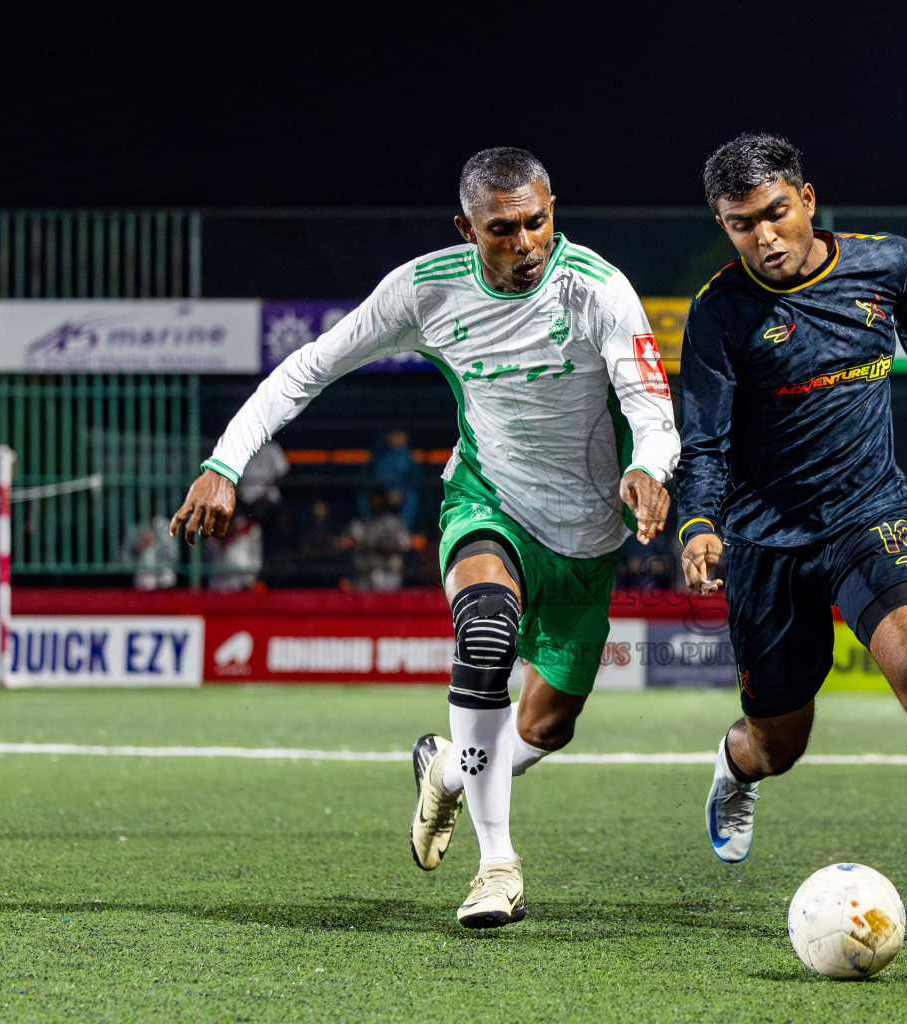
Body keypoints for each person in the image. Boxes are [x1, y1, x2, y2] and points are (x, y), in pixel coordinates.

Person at [170, 147, 679, 928]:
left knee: (547, 726)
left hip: (585, 536)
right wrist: (224, 462)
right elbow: (309, 368)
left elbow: (649, 403)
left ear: (553, 211)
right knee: (483, 635)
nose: (526, 244)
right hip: (488, 502)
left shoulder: (600, 290)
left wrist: (650, 464)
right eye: (502, 229)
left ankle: (445, 771)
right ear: (466, 227)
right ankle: (498, 866)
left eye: (537, 222)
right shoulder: (424, 289)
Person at [676, 134, 907, 953]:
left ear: (808, 198)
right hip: (767, 542)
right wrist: (699, 522)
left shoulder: (885, 265)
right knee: (779, 743)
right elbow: (702, 441)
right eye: (743, 224)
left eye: (777, 213)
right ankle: (736, 769)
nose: (766, 236)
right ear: (724, 224)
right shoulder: (718, 311)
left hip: (869, 517)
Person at [348, 489, 410, 592]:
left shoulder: (393, 522)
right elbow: (356, 544)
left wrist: (384, 546)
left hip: (389, 574)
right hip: (364, 576)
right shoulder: (361, 524)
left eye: (378, 500)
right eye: (373, 500)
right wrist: (374, 546)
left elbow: (405, 543)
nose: (375, 503)